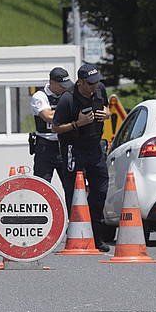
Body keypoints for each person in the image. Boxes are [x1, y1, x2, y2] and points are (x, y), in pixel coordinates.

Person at [52, 64, 110, 251]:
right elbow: (56, 128)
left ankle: (97, 236)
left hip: (95, 146)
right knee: (74, 192)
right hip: (73, 147)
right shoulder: (67, 99)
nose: (95, 86)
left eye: (96, 82)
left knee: (100, 190)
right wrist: (78, 123)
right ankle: (76, 233)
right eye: (91, 83)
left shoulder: (100, 89)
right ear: (81, 82)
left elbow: (107, 106)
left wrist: (107, 114)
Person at [30, 67, 73, 197]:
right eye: (61, 85)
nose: (64, 88)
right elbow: (48, 116)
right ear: (52, 82)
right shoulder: (40, 96)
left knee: (71, 185)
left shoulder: (69, 93)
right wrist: (69, 111)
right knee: (41, 186)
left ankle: (73, 215)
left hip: (65, 145)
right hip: (45, 146)